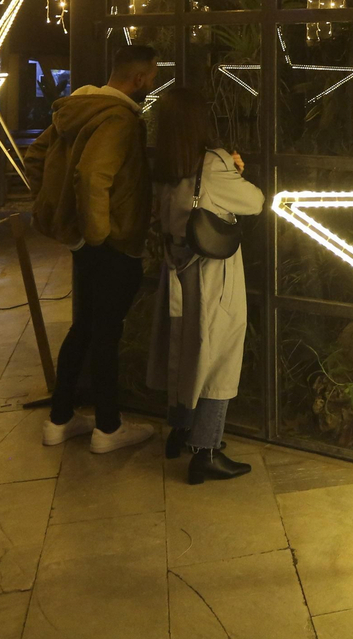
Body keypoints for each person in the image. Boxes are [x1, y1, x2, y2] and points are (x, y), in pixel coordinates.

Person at [27, 44, 159, 453]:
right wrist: (98, 233)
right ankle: (108, 427)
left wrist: (65, 217)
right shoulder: (119, 119)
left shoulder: (77, 110)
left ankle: (60, 419)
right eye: (151, 77)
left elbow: (35, 158)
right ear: (138, 79)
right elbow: (91, 175)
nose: (152, 83)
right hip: (112, 243)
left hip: (86, 242)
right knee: (106, 333)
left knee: (84, 327)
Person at [146, 86, 264, 483]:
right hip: (213, 273)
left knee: (184, 348)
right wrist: (235, 169)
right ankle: (207, 450)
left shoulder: (163, 163)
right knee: (218, 354)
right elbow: (254, 201)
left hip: (176, 266)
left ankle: (180, 430)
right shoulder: (212, 163)